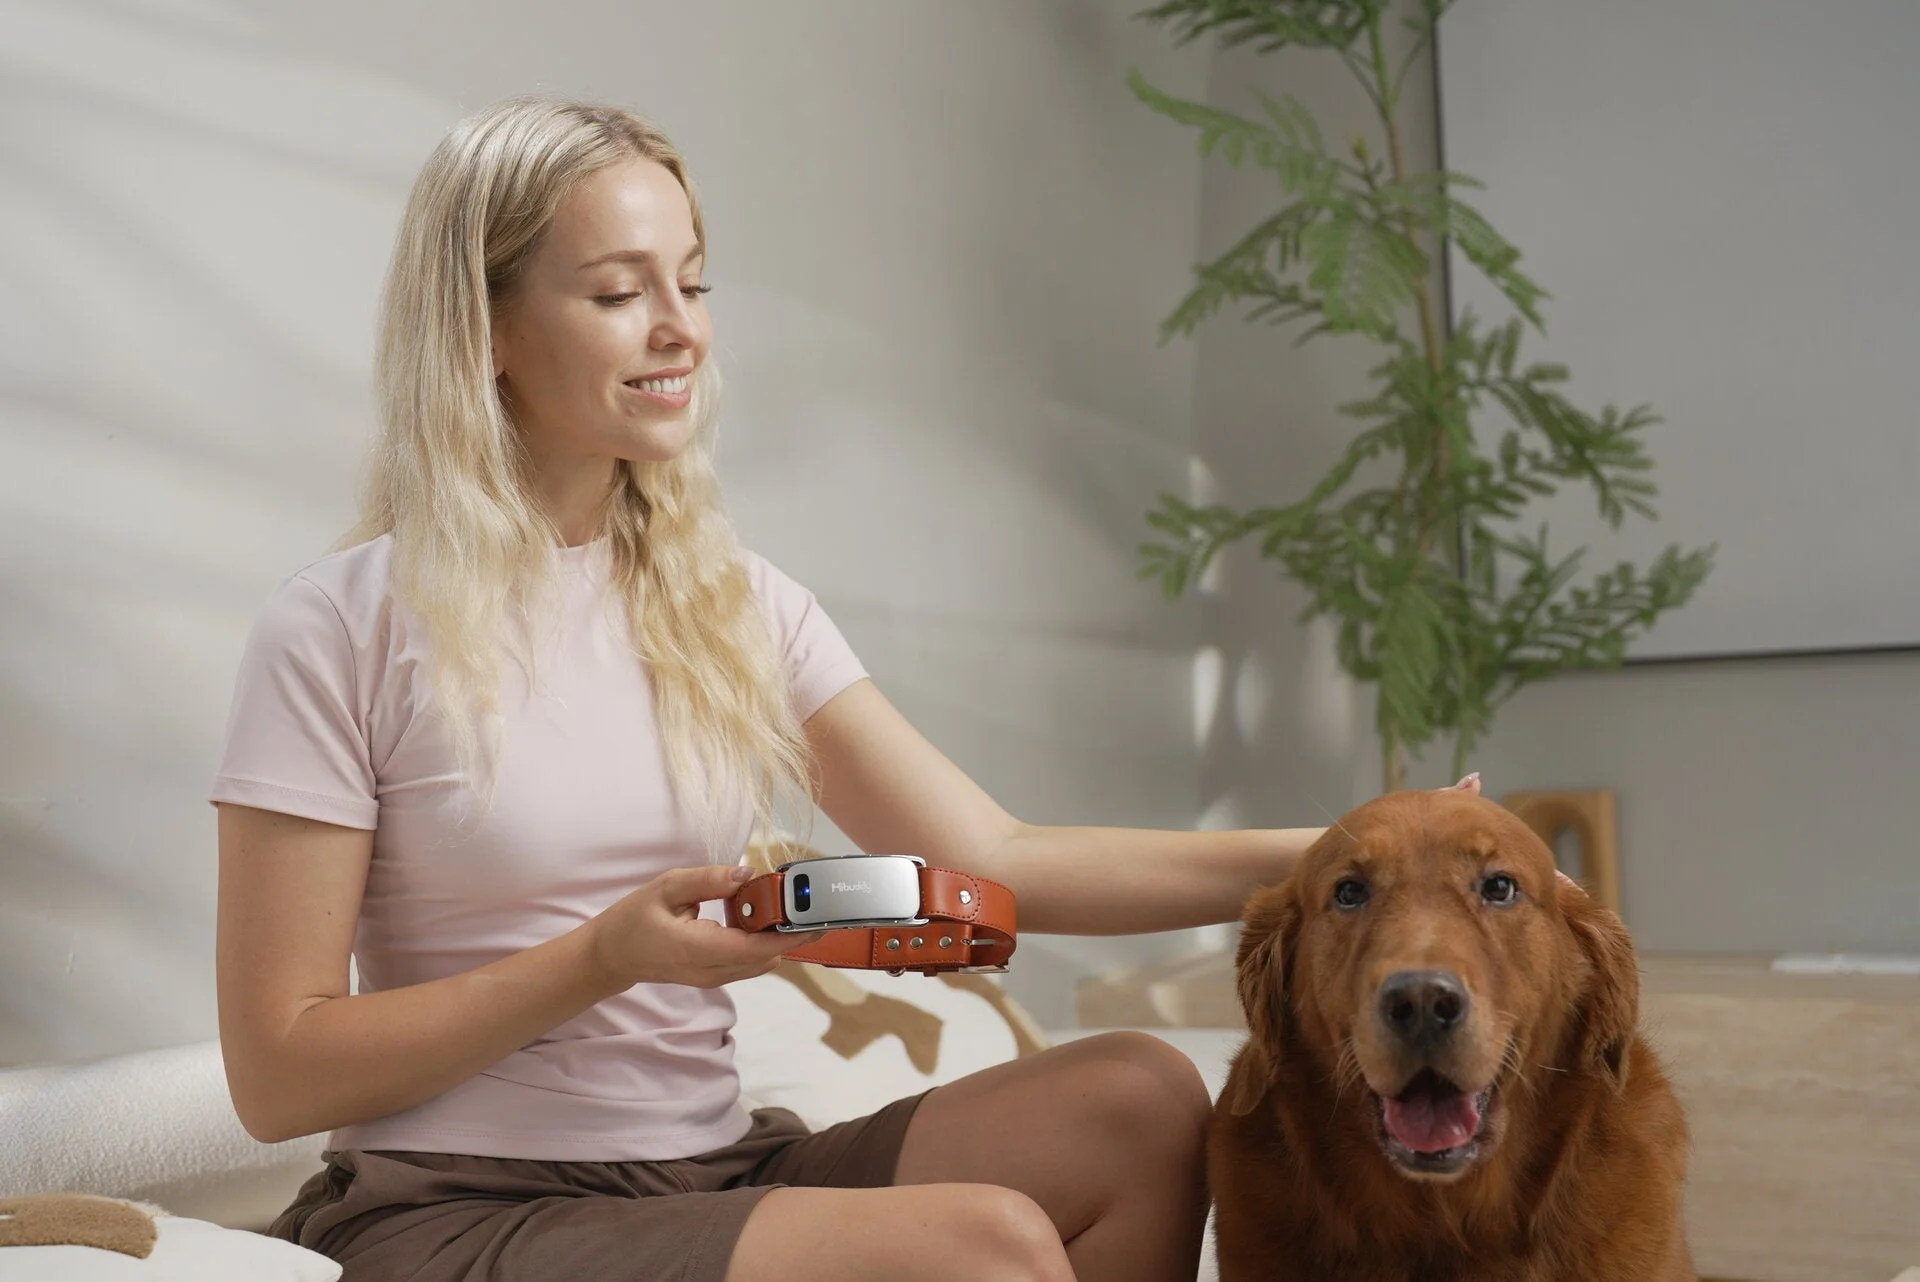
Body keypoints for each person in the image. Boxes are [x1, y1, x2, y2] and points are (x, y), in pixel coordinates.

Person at [211, 95, 1480, 1282]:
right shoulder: (342, 625)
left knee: (1144, 1097)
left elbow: (998, 855)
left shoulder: (730, 603)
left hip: (710, 1165)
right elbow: (277, 1072)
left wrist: (1350, 858)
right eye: (617, 292)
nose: (681, 329)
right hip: (459, 1207)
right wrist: (603, 957)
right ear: (483, 329)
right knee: (979, 1242)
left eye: (692, 283)